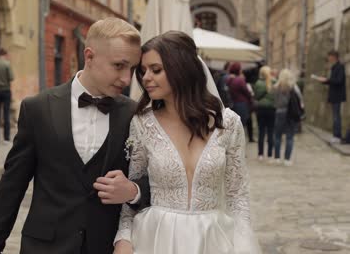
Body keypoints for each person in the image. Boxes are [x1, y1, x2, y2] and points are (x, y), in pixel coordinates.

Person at [0, 18, 150, 254]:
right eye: (119, 66)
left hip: (105, 246)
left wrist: (134, 190)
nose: (126, 79)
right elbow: (12, 185)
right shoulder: (38, 108)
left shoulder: (134, 114)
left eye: (132, 69)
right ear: (89, 57)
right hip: (44, 246)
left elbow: (158, 179)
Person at [113, 31, 261, 254]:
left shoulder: (228, 123)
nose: (145, 78)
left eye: (156, 70)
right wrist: (123, 238)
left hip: (212, 241)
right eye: (143, 71)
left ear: (180, 69)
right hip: (155, 239)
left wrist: (243, 245)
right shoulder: (143, 124)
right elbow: (131, 190)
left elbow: (237, 196)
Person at [271, 69, 304, 166]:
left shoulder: (276, 87)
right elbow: (300, 99)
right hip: (290, 113)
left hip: (279, 112)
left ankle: (277, 158)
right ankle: (287, 159)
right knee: (290, 137)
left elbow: (274, 100)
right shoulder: (293, 87)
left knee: (277, 136)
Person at [316, 50, 347, 143]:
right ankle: (336, 135)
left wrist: (327, 80)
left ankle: (337, 136)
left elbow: (338, 81)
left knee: (336, 116)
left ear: (334, 57)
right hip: (334, 95)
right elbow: (333, 81)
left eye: (329, 56)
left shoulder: (340, 67)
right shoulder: (334, 67)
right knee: (335, 116)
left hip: (337, 95)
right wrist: (324, 81)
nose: (328, 58)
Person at [253, 66, 276, 161]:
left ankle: (260, 154)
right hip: (272, 109)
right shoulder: (274, 82)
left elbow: (257, 96)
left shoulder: (258, 83)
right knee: (271, 132)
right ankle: (270, 155)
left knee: (261, 132)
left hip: (261, 109)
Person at [227, 62, 253, 127]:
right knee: (242, 124)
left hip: (234, 103)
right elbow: (247, 92)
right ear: (238, 70)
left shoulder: (230, 79)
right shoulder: (240, 80)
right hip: (242, 104)